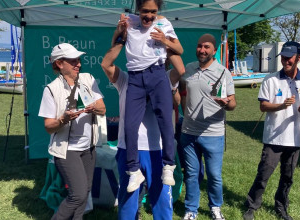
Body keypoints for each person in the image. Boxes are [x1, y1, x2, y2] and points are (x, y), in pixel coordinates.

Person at [101, 27, 182, 220]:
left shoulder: (165, 79)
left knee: (162, 202)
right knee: (128, 201)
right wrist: (121, 40)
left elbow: (180, 69)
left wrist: (166, 42)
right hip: (129, 150)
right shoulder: (126, 80)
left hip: (158, 150)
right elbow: (106, 64)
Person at [114, 0, 185, 192]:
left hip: (158, 74)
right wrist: (119, 30)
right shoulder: (129, 21)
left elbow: (179, 50)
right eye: (145, 11)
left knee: (165, 122)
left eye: (153, 12)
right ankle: (133, 171)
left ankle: (168, 166)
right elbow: (116, 42)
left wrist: (164, 40)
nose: (149, 16)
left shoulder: (163, 23)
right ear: (138, 9)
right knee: (129, 124)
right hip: (136, 78)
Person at [243, 41, 300, 220]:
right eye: (283, 57)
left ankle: (281, 207)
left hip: (295, 139)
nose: (285, 61)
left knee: (288, 177)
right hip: (274, 138)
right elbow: (263, 106)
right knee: (263, 174)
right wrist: (281, 105)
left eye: (289, 57)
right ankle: (252, 206)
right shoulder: (271, 79)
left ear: (299, 57)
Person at [38, 43, 106, 220]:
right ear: (59, 64)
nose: (78, 64)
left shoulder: (88, 79)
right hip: (66, 150)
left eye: (79, 60)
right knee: (77, 195)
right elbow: (48, 126)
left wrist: (93, 107)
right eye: (73, 60)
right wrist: (63, 119)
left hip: (88, 148)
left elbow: (102, 109)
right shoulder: (51, 89)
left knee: (85, 193)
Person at [179, 33, 236, 220]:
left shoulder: (223, 72)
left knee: (214, 175)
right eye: (199, 46)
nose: (202, 50)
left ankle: (215, 207)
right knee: (192, 174)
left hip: (213, 133)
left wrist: (226, 103)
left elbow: (233, 104)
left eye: (206, 47)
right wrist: (185, 110)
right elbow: (182, 89)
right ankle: (191, 210)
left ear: (214, 50)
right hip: (188, 132)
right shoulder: (188, 68)